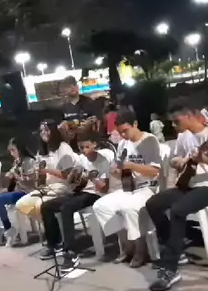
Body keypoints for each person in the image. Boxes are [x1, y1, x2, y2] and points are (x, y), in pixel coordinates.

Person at [146, 106, 208, 291]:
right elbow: (175, 160)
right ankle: (176, 248)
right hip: (189, 184)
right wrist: (179, 162)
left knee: (178, 209)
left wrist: (206, 161)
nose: (173, 125)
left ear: (190, 116)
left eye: (176, 121)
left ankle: (170, 269)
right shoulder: (184, 136)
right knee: (154, 204)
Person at [92, 109, 161, 268]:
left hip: (149, 188)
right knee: (101, 206)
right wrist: (116, 171)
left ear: (135, 124)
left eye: (125, 131)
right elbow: (121, 172)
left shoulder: (149, 141)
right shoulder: (124, 144)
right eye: (120, 132)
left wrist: (130, 165)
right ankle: (127, 244)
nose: (123, 135)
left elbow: (154, 171)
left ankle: (140, 248)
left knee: (128, 207)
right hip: (130, 187)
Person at [39, 131, 116, 270]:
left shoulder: (102, 161)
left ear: (94, 144)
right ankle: (54, 244)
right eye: (81, 147)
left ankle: (71, 252)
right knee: (47, 206)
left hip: (95, 194)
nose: (83, 150)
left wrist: (92, 178)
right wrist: (73, 176)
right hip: (80, 191)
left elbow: (104, 188)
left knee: (66, 208)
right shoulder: (81, 159)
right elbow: (73, 181)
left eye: (86, 147)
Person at [15, 121, 78, 220]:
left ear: (54, 131)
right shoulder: (41, 152)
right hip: (47, 188)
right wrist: (36, 175)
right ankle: (48, 224)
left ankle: (54, 226)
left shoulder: (63, 148)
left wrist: (47, 170)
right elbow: (41, 179)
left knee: (39, 206)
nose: (44, 133)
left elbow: (67, 174)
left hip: (63, 187)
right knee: (21, 204)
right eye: (41, 131)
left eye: (47, 130)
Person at [0, 139, 36, 246]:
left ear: (20, 149)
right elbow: (12, 184)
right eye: (10, 151)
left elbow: (31, 181)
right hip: (18, 190)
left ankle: (8, 229)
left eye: (13, 150)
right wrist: (7, 181)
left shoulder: (29, 161)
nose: (11, 153)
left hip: (28, 191)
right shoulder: (16, 162)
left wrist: (15, 175)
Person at [58, 76, 104, 148]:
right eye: (69, 86)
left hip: (90, 144)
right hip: (72, 145)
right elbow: (61, 128)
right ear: (64, 90)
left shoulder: (90, 102)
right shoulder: (62, 108)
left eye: (74, 85)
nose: (73, 88)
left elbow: (98, 121)